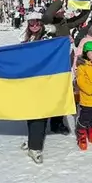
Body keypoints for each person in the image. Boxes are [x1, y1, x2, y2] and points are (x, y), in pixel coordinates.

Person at [42, 0, 91, 135]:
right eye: (60, 8)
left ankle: (57, 122)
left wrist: (89, 4)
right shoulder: (47, 21)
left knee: (59, 93)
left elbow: (79, 20)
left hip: (62, 64)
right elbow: (48, 14)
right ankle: (41, 121)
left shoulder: (63, 23)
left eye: (63, 8)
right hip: (48, 64)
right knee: (46, 93)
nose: (63, 10)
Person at [19, 12, 55, 164]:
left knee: (40, 114)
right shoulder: (26, 38)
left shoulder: (47, 38)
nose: (34, 26)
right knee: (31, 112)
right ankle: (32, 139)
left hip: (43, 81)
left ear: (42, 24)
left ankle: (35, 147)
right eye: (31, 23)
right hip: (29, 81)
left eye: (37, 23)